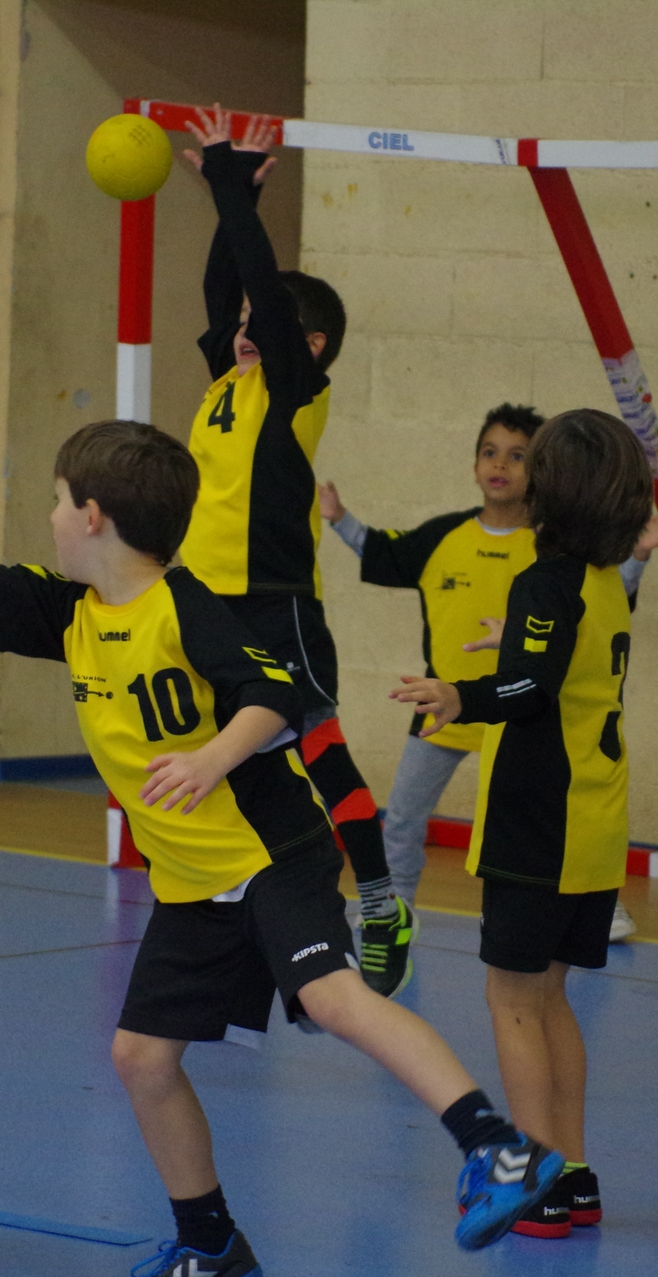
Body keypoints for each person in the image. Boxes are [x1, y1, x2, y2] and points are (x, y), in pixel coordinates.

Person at [0, 415, 565, 1271]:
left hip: (273, 854)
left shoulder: (186, 606)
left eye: (58, 501)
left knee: (333, 1000)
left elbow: (277, 696)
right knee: (141, 1058)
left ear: (92, 516)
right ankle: (212, 1244)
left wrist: (213, 758)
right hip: (191, 885)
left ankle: (496, 1147)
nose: (51, 517)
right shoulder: (74, 611)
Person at [390, 408, 655, 1241]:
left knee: (511, 999)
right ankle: (572, 1174)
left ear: (548, 489)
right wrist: (519, 646)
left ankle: (532, 1180)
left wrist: (459, 693)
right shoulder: (605, 581)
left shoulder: (545, 581)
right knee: (551, 999)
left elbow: (532, 690)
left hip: (540, 820)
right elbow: (563, 664)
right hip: (595, 822)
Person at [175, 104, 414, 1000]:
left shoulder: (294, 392)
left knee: (318, 745)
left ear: (307, 347)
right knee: (226, 756)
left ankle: (381, 900)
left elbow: (264, 300)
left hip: (278, 600)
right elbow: (229, 290)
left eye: (260, 321)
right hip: (207, 602)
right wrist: (230, 196)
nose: (242, 325)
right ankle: (253, 900)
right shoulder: (226, 385)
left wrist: (234, 189)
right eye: (240, 319)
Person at [320, 404, 658, 940]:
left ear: (543, 475)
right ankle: (391, 906)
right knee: (404, 816)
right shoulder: (445, 536)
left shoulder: (557, 556)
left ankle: (600, 903)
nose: (500, 464)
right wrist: (339, 518)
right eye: (489, 452)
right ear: (475, 464)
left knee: (558, 817)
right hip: (447, 706)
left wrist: (637, 557)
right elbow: (384, 550)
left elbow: (602, 604)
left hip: (520, 716)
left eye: (518, 455)